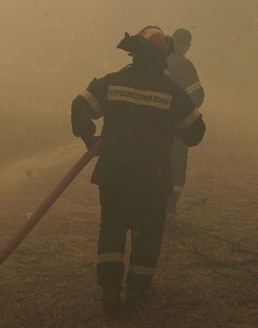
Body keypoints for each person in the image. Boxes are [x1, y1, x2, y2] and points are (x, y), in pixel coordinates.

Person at [72, 25, 206, 315]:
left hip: (114, 174)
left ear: (134, 53)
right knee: (147, 234)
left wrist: (89, 138)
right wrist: (172, 128)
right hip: (152, 179)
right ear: (162, 57)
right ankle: (137, 293)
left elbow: (80, 106)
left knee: (112, 229)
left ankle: (110, 289)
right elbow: (196, 132)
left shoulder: (113, 83)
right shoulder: (171, 92)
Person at [164, 28, 204, 216]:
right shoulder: (184, 65)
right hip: (176, 129)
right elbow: (197, 95)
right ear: (187, 45)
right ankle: (169, 209)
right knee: (176, 166)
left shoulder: (155, 60)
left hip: (151, 127)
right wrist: (181, 114)